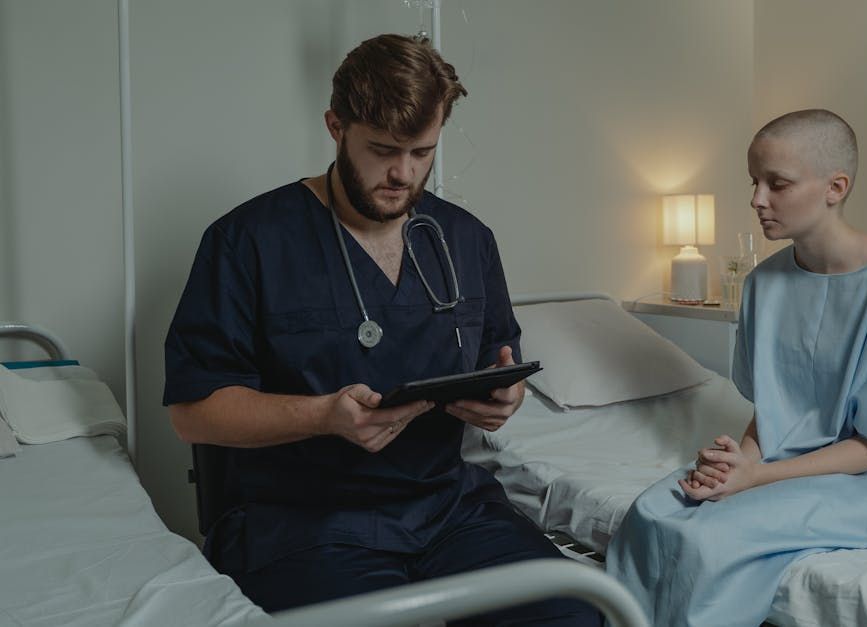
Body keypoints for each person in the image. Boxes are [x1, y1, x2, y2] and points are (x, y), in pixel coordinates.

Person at [163, 34, 601, 625]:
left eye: (422, 152)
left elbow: (500, 361)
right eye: (383, 149)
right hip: (305, 522)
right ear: (335, 126)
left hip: (449, 509)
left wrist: (506, 396)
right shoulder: (248, 242)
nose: (403, 173)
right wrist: (324, 416)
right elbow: (193, 412)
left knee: (572, 613)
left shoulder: (467, 240)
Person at [605, 109, 867, 626]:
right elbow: (775, 409)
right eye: (754, 182)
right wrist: (738, 465)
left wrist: (758, 477)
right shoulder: (764, 284)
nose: (756, 199)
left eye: (777, 184)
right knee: (653, 513)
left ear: (835, 187)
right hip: (786, 466)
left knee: (712, 538)